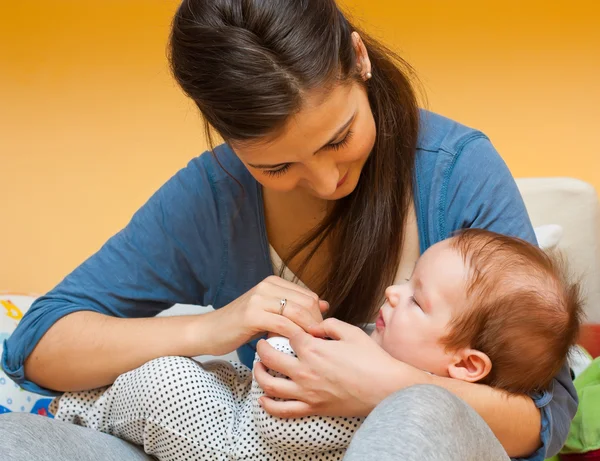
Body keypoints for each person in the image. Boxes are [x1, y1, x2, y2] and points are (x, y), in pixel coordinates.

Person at [0, 0, 578, 460]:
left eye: (338, 138)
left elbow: (541, 414)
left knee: (420, 414)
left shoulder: (455, 171)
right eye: (277, 167)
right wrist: (214, 330)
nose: (327, 180)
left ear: (359, 58)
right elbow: (37, 342)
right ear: (227, 140)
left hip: (415, 441)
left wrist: (386, 385)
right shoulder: (214, 195)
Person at [48, 229, 583, 461]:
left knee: (168, 382)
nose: (393, 294)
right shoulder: (388, 344)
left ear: (466, 365)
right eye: (407, 281)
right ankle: (87, 408)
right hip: (240, 414)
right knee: (196, 370)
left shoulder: (415, 417)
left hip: (245, 442)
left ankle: (83, 411)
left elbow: (278, 423)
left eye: (417, 301)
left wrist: (287, 349)